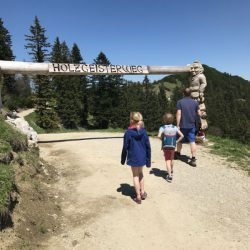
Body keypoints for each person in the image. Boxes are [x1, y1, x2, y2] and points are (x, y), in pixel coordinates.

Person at [121, 112, 151, 204]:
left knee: (135, 176)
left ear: (131, 120)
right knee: (141, 173)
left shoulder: (128, 133)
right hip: (142, 157)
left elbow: (125, 147)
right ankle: (142, 193)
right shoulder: (144, 132)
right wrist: (148, 160)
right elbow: (148, 147)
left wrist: (123, 158)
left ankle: (138, 196)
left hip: (133, 157)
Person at [176, 88, 201, 167]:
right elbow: (199, 113)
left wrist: (177, 125)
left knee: (179, 140)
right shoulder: (195, 103)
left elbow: (179, 114)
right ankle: (193, 159)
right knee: (192, 141)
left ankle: (178, 153)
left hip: (182, 125)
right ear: (190, 94)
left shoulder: (180, 102)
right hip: (192, 125)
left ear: (183, 93)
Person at [158, 113, 184, 182]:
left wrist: (162, 140)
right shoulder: (174, 127)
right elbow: (182, 136)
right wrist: (176, 141)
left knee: (167, 160)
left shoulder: (162, 127)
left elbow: (158, 136)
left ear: (164, 120)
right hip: (173, 145)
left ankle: (169, 176)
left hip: (165, 146)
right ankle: (171, 171)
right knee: (172, 158)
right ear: (172, 120)